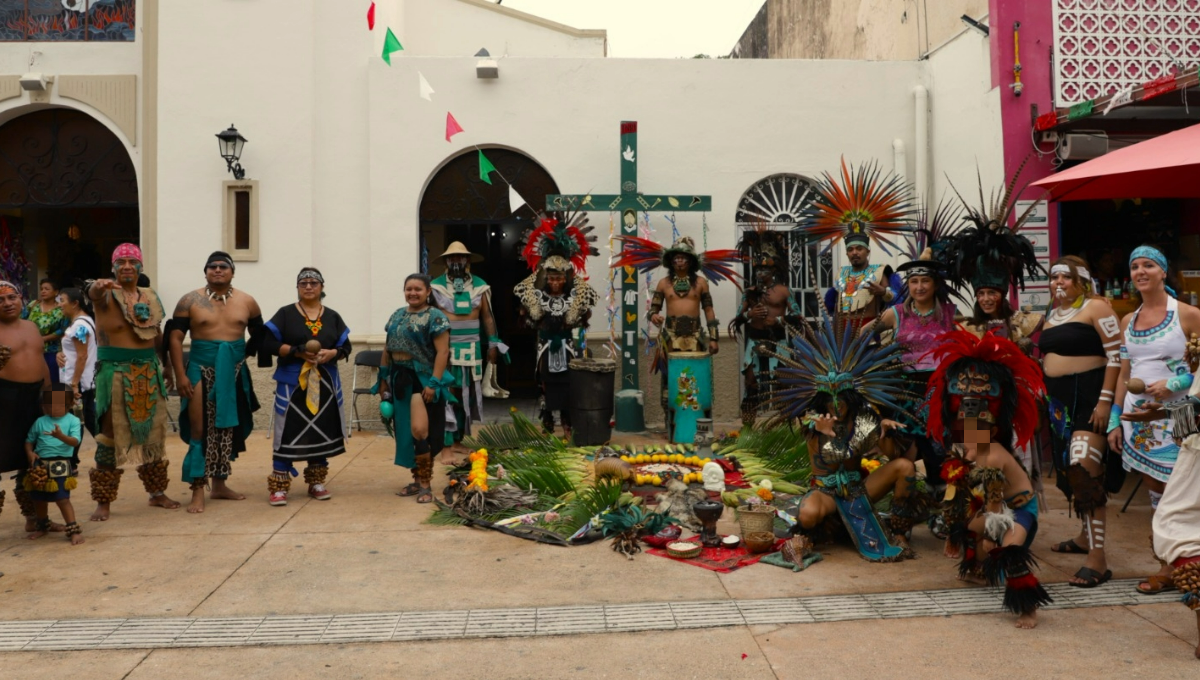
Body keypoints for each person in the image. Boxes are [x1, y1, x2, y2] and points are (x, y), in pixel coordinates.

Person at [766, 312, 924, 561]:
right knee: (807, 515)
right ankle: (822, 531)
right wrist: (825, 434)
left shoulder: (864, 417)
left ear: (851, 396)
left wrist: (884, 432)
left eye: (841, 398)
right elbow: (830, 461)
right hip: (826, 492)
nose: (836, 405)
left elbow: (893, 456)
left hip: (858, 489)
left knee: (904, 467)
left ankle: (900, 532)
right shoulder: (812, 421)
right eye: (830, 399)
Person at [926, 330, 1050, 629]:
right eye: (964, 423)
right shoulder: (967, 448)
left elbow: (995, 511)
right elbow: (961, 495)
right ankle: (975, 568)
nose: (969, 428)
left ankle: (1028, 608)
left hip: (1019, 511)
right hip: (996, 507)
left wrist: (990, 538)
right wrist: (961, 530)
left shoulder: (993, 455)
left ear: (992, 426)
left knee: (1009, 551)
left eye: (976, 424)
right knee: (962, 528)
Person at [1108, 245, 1200, 594]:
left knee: (1187, 491)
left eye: (1148, 265)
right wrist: (1116, 418)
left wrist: (1177, 383)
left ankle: (1190, 562)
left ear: (1164, 272)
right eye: (1134, 266)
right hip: (1140, 420)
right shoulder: (1127, 321)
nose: (1140, 271)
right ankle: (1167, 565)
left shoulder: (1188, 314)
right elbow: (1123, 372)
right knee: (1156, 491)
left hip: (1182, 414)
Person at [1040, 256, 1123, 589]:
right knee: (1070, 472)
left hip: (1090, 399)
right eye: (1054, 276)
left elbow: (1118, 355)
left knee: (1085, 469)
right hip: (1059, 404)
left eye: (1066, 277)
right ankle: (1084, 537)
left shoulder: (1097, 307)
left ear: (1082, 281)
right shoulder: (1051, 313)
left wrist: (1105, 403)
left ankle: (1098, 560)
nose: (1058, 282)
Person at [612, 235, 740, 438]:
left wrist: (714, 338)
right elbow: (653, 309)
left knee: (695, 380)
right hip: (670, 338)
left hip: (696, 338)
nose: (680, 261)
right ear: (671, 261)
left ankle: (697, 425)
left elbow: (708, 311)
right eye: (676, 258)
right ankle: (671, 424)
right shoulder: (663, 284)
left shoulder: (701, 283)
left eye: (684, 257)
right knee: (669, 381)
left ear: (690, 261)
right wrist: (654, 316)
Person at [86, 243, 178, 521]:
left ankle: (157, 493)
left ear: (140, 267)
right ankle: (103, 501)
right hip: (114, 371)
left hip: (148, 371)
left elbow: (156, 332)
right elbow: (93, 292)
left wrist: (168, 366)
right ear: (113, 267)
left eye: (132, 261)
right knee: (109, 434)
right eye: (121, 262)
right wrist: (98, 286)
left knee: (153, 434)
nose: (127, 266)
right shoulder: (104, 295)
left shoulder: (149, 295)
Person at [167, 252, 263, 514]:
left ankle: (220, 484)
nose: (218, 270)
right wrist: (180, 375)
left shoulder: (247, 301)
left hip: (233, 371)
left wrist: (246, 356)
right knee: (199, 430)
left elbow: (260, 334)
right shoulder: (190, 300)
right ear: (205, 271)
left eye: (223, 267)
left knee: (226, 429)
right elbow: (174, 338)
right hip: (200, 369)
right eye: (212, 267)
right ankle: (198, 489)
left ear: (232, 271)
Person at [863, 251, 958, 485]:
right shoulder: (896, 313)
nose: (919, 287)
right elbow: (862, 333)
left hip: (939, 387)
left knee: (938, 445)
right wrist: (872, 356)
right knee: (905, 446)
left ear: (935, 284)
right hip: (906, 389)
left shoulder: (949, 313)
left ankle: (940, 495)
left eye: (925, 281)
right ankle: (908, 497)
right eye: (914, 281)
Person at [260, 267, 351, 506]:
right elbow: (267, 343)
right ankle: (279, 486)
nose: (308, 286)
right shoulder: (286, 313)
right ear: (297, 287)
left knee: (321, 428)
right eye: (303, 283)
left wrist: (333, 353)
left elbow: (346, 347)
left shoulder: (332, 316)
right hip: (292, 383)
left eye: (313, 283)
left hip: (325, 383)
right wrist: (296, 352)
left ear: (322, 287)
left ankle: (316, 481)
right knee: (287, 430)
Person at [513, 214, 600, 436]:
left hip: (569, 346)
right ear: (545, 278)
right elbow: (528, 320)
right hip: (545, 345)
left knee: (570, 384)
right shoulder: (535, 297)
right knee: (545, 383)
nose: (554, 282)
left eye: (559, 278)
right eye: (551, 278)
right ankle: (547, 423)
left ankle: (567, 425)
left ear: (566, 278)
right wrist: (532, 315)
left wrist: (576, 318)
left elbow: (582, 318)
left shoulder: (577, 297)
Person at [381, 274, 454, 503]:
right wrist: (382, 379)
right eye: (408, 289)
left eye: (418, 289)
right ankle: (416, 479)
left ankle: (425, 484)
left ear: (428, 291)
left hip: (420, 379)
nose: (413, 293)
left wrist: (433, 383)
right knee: (405, 432)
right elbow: (387, 349)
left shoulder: (435, 317)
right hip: (399, 378)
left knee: (420, 430)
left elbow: (443, 352)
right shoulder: (397, 315)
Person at [429, 242, 508, 447]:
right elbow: (430, 318)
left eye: (460, 257)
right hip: (445, 348)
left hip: (472, 349)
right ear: (446, 261)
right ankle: (448, 438)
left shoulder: (480, 286)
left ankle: (462, 437)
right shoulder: (435, 287)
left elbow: (488, 317)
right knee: (449, 390)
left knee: (469, 393)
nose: (456, 261)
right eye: (451, 257)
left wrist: (492, 344)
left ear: (467, 261)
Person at [730, 226, 801, 424]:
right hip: (754, 342)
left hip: (778, 342)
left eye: (765, 269)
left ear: (773, 270)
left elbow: (798, 316)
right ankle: (748, 428)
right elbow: (737, 318)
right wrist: (750, 314)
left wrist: (778, 320)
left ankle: (785, 428)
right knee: (751, 383)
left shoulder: (784, 292)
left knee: (783, 382)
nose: (760, 272)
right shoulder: (750, 292)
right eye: (758, 269)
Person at [0, 279, 52, 532]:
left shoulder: (32, 326)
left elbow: (41, 362)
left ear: (21, 299)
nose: (7, 303)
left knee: (35, 460)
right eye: (0, 300)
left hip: (35, 397)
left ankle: (36, 518)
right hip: (4, 397)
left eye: (12, 297)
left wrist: (52, 397)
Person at [24, 386, 84, 545]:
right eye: (47, 405)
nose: (51, 408)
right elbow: (29, 440)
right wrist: (30, 452)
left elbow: (75, 441)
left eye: (57, 405)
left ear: (69, 404)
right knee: (39, 499)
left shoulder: (73, 420)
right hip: (40, 466)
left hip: (60, 465)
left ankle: (73, 529)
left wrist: (60, 436)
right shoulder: (40, 421)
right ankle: (43, 525)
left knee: (62, 499)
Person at [56, 287, 98, 440]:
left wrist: (74, 385)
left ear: (74, 304)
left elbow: (82, 356)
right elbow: (75, 351)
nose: (59, 305)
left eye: (62, 301)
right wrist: (59, 354)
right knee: (86, 419)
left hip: (78, 382)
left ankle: (71, 460)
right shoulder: (83, 322)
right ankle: (107, 453)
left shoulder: (80, 326)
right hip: (80, 381)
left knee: (76, 422)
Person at [22, 278, 67, 385]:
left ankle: (55, 402)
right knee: (32, 381)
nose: (43, 291)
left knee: (52, 381)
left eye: (47, 289)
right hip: (30, 350)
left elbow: (64, 329)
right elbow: (21, 320)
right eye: (41, 289)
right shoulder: (33, 305)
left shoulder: (61, 309)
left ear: (56, 292)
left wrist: (44, 339)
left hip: (52, 352)